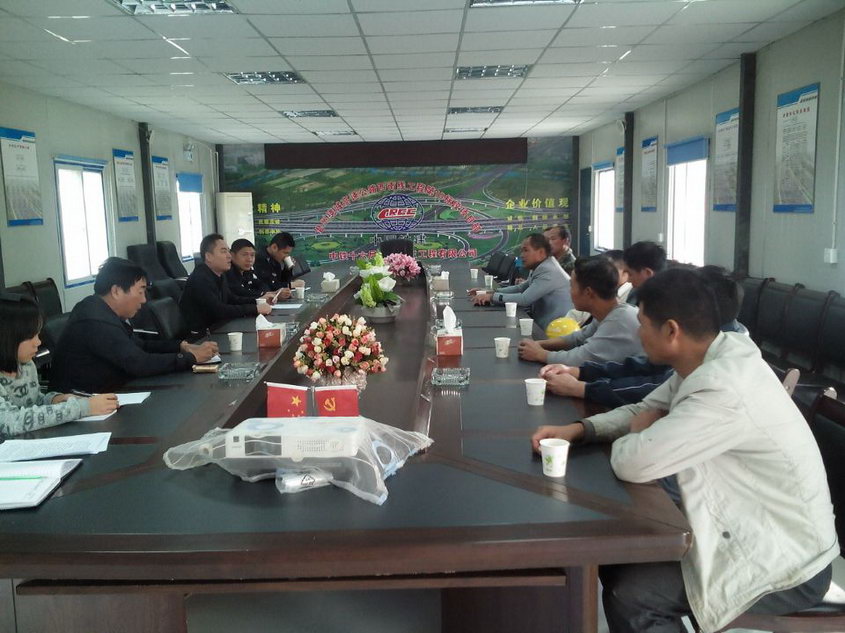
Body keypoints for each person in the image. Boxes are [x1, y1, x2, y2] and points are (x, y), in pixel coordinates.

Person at [531, 269, 837, 633]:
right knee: (619, 560)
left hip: (787, 560)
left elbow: (632, 462)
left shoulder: (724, 388)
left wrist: (641, 431)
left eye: (643, 324)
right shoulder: (706, 359)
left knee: (633, 594)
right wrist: (580, 429)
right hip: (750, 526)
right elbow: (643, 408)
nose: (638, 333)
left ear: (671, 331)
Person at [543, 266, 748, 407]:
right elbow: (645, 370)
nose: (639, 332)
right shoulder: (709, 344)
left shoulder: (719, 377)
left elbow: (652, 388)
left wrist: (583, 388)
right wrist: (580, 373)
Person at [50, 258, 218, 393]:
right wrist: (190, 358)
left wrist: (181, 347)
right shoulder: (95, 321)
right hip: (86, 406)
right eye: (140, 291)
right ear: (116, 291)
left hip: (111, 393)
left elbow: (140, 346)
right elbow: (139, 363)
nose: (144, 300)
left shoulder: (100, 310)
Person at [0, 293, 117, 438]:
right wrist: (83, 408)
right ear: (6, 337)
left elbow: (34, 402)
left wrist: (54, 400)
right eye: (30, 336)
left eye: (38, 334)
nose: (38, 342)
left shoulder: (26, 365)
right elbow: (10, 422)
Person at [518, 256, 642, 365]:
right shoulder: (609, 313)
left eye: (572, 286)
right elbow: (578, 338)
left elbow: (581, 358)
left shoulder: (619, 321)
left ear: (588, 292)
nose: (570, 292)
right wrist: (539, 344)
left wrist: (539, 354)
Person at [468, 234, 572, 329]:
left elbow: (524, 299)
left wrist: (491, 297)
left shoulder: (548, 271)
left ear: (541, 252)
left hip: (556, 331)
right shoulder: (542, 266)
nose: (522, 255)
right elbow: (521, 288)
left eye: (526, 250)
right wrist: (490, 292)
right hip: (544, 325)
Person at [180, 233, 273, 334]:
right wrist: (255, 309)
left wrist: (258, 300)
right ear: (209, 256)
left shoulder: (220, 274)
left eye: (228, 251)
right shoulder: (200, 278)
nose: (229, 256)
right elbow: (219, 310)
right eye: (224, 251)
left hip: (219, 328)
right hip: (201, 336)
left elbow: (232, 299)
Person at [622, 241, 666, 305]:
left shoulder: (664, 304)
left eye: (630, 274)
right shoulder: (635, 294)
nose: (628, 280)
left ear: (648, 273)